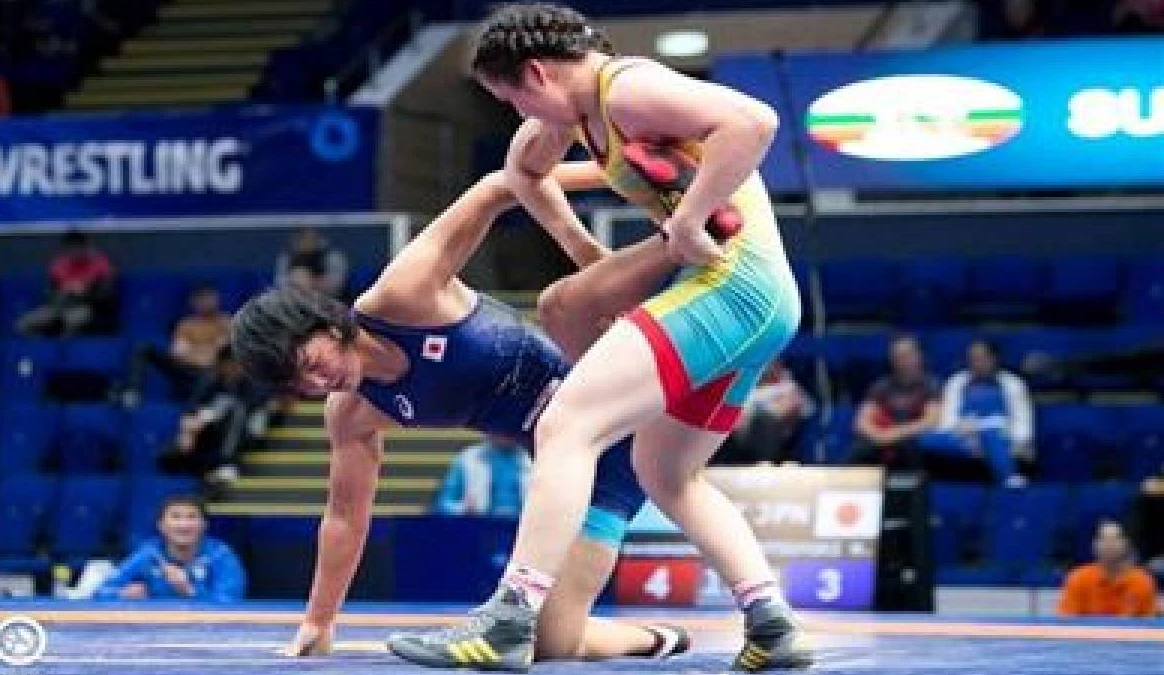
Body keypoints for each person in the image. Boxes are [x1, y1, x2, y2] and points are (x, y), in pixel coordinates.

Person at [389, 5, 811, 671]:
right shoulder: (578, 112)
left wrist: (690, 219)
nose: (517, 114)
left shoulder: (626, 88)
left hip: (731, 286)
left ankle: (508, 620)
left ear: (537, 73)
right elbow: (523, 171)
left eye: (512, 99)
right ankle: (772, 622)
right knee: (664, 473)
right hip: (756, 302)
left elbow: (754, 122)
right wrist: (584, 248)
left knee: (565, 425)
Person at [232, 165, 691, 664]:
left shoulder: (403, 296)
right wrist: (319, 621)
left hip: (621, 410)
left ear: (324, 325)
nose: (317, 383)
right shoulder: (353, 412)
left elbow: (503, 183)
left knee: (572, 299)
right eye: (299, 384)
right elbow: (344, 517)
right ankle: (657, 639)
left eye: (310, 363)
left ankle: (686, 209)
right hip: (581, 471)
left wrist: (598, 222)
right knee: (554, 644)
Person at [919, 340, 1032, 487]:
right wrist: (963, 433)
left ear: (994, 359)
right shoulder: (956, 381)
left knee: (991, 434)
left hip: (1000, 436)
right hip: (963, 438)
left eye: (981, 358)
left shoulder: (1013, 383)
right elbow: (947, 420)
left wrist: (1018, 441)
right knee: (925, 440)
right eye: (972, 358)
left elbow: (1022, 420)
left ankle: (1009, 478)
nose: (976, 363)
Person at [94, 494, 246, 602]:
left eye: (192, 517)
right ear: (161, 525)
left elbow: (229, 602)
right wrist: (122, 594)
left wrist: (189, 591)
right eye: (176, 517)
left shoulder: (220, 555)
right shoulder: (149, 553)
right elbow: (101, 592)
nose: (184, 525)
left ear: (204, 525)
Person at [157, 346, 272, 485]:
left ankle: (227, 463)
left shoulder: (253, 382)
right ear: (220, 365)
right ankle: (181, 453)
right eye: (227, 365)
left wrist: (220, 411)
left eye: (235, 365)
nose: (231, 370)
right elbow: (193, 405)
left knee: (237, 409)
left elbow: (256, 404)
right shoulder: (210, 381)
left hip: (246, 429)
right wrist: (193, 423)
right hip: (210, 429)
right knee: (191, 425)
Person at [122, 284, 233, 406]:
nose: (206, 301)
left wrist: (198, 350)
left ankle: (192, 410)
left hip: (213, 374)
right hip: (186, 370)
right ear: (193, 301)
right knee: (143, 348)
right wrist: (206, 351)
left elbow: (224, 353)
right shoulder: (185, 324)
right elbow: (179, 353)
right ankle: (132, 393)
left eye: (209, 297)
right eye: (201, 298)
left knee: (214, 374)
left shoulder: (227, 322)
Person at [848, 334, 941, 471]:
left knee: (914, 449)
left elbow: (930, 421)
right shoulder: (881, 386)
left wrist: (893, 435)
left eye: (905, 355)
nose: (901, 361)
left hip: (911, 441)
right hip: (881, 440)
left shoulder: (930, 385)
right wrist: (878, 436)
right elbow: (861, 422)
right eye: (896, 356)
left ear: (918, 356)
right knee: (859, 449)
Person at [713, 361, 814, 466]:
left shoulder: (787, 385)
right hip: (737, 437)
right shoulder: (741, 384)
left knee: (762, 419)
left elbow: (795, 409)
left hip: (777, 436)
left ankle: (765, 461)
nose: (766, 368)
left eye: (771, 364)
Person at [17, 230, 116, 336]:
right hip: (58, 306)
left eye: (79, 246)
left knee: (71, 321)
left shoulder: (101, 264)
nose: (76, 250)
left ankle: (65, 345)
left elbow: (107, 295)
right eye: (72, 247)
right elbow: (48, 293)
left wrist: (85, 292)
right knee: (24, 324)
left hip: (87, 307)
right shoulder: (58, 265)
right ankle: (37, 345)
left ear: (86, 246)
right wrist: (62, 293)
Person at [1058, 521, 1159, 618]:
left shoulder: (1142, 582)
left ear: (1126, 544)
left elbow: (1150, 625)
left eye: (1115, 539)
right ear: (1094, 545)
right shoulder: (1078, 579)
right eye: (1103, 539)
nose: (1109, 545)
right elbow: (1066, 623)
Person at [435, 435, 531, 517]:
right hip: (480, 526)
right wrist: (462, 508)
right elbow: (442, 505)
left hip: (525, 526)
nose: (503, 432)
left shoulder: (532, 458)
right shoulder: (467, 459)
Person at [276, 227, 349, 299]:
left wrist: (314, 283)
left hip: (329, 297)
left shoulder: (332, 255)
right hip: (297, 297)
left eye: (310, 237)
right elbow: (280, 281)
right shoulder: (287, 256)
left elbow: (339, 282)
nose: (307, 241)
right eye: (303, 238)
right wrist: (298, 284)